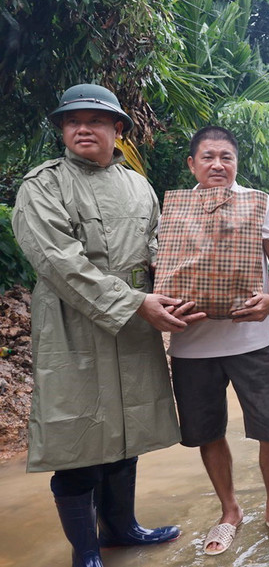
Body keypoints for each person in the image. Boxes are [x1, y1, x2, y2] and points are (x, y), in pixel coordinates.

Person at [13, 83, 203, 567]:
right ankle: (86, 550)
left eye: (95, 121)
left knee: (126, 426)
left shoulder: (138, 186)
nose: (82, 128)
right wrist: (138, 302)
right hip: (71, 326)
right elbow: (61, 263)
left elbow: (163, 249)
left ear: (117, 130)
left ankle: (121, 526)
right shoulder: (42, 185)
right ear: (62, 130)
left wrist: (194, 286)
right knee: (76, 435)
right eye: (72, 121)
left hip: (136, 322)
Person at [165, 126, 269, 555]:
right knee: (208, 432)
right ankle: (230, 511)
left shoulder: (260, 203)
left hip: (250, 338)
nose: (218, 165)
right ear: (192, 164)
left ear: (237, 163)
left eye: (226, 156)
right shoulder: (174, 209)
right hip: (192, 344)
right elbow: (163, 268)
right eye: (208, 157)